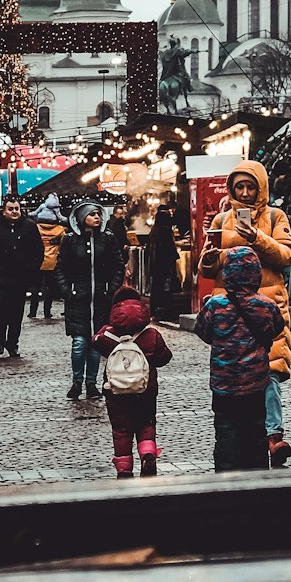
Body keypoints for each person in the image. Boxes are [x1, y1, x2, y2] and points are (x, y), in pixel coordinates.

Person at [198, 159, 291, 467]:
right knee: (239, 378)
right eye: (239, 186)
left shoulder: (275, 216)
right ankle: (241, 442)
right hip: (229, 310)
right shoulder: (220, 219)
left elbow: (287, 255)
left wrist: (256, 237)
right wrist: (212, 257)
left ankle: (273, 436)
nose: (244, 192)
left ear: (260, 188)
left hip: (267, 308)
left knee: (270, 373)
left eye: (250, 186)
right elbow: (205, 267)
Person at [195, 245, 284, 473]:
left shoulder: (214, 305)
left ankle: (226, 477)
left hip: (224, 384)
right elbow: (276, 329)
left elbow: (202, 331)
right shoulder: (266, 306)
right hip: (255, 383)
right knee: (255, 431)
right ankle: (256, 477)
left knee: (226, 432)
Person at [93, 284, 172, 478]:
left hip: (116, 393)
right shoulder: (151, 335)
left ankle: (124, 469)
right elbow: (165, 357)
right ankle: (147, 453)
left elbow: (95, 342)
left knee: (121, 430)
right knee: (146, 424)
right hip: (145, 390)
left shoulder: (107, 334)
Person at [58, 201, 124, 400]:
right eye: (92, 214)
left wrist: (110, 289)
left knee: (96, 342)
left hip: (100, 299)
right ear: (82, 218)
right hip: (78, 299)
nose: (97, 218)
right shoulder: (70, 241)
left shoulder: (108, 239)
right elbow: (60, 267)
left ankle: (91, 383)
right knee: (79, 342)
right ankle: (77, 381)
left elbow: (118, 265)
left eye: (98, 214)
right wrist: (67, 290)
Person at [0, 196, 44, 357]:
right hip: (1, 275)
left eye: (17, 209)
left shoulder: (29, 227)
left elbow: (38, 250)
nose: (15, 212)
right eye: (11, 209)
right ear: (4, 211)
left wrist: (32, 269)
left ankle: (13, 342)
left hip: (21, 276)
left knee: (17, 311)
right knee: (1, 309)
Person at [28, 194, 67, 319]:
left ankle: (32, 311)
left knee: (35, 286)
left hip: (37, 261)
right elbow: (65, 245)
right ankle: (47, 311)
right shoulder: (60, 230)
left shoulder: (35, 228)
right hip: (52, 261)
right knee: (49, 288)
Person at [147, 203, 183, 321]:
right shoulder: (165, 231)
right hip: (165, 265)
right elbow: (170, 250)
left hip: (156, 266)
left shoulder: (154, 231)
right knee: (166, 288)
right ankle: (165, 311)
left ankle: (156, 310)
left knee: (157, 287)